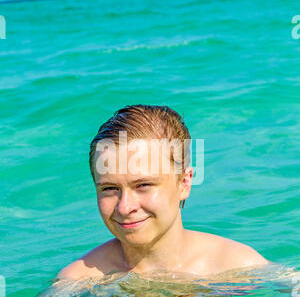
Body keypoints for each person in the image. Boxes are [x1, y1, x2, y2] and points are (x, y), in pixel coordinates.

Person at [58, 104, 268, 281]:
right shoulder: (80, 281)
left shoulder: (236, 265)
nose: (124, 207)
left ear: (184, 183)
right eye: (110, 188)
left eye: (143, 185)